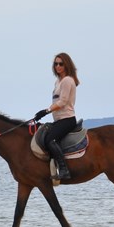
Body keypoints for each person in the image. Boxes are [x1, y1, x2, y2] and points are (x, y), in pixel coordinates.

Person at [33, 53, 79, 181]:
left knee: (50, 140)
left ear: (66, 65)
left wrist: (46, 111)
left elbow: (63, 102)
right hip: (58, 119)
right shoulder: (58, 81)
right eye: (56, 64)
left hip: (67, 119)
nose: (58, 66)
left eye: (61, 64)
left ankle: (64, 170)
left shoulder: (67, 81)